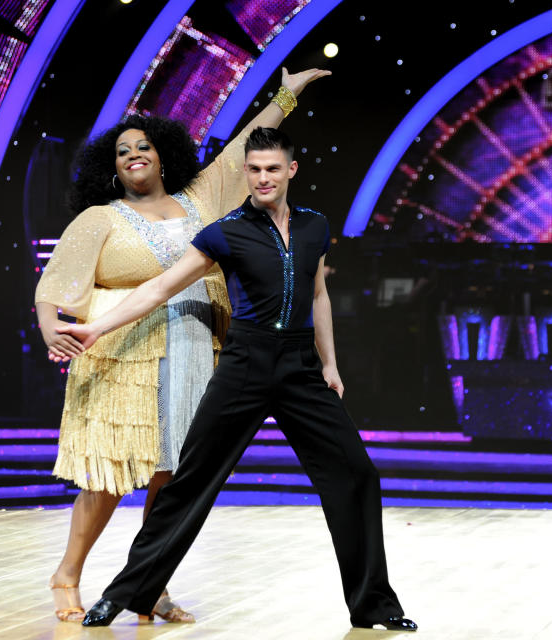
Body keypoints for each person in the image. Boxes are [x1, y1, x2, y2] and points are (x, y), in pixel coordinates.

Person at [51, 127, 417, 631]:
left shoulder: (314, 227)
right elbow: (157, 289)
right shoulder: (225, 231)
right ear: (245, 174)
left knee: (358, 474)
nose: (263, 178)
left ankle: (374, 605)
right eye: (254, 169)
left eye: (272, 168)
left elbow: (317, 298)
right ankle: (126, 593)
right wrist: (95, 327)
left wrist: (330, 365)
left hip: (299, 369)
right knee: (189, 483)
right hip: (245, 364)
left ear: (290, 170)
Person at [35, 70, 330, 623]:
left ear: (164, 155)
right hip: (123, 350)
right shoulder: (99, 218)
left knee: (175, 473)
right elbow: (56, 282)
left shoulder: (201, 200)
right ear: (111, 166)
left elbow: (245, 146)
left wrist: (287, 97)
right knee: (112, 475)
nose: (134, 155)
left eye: (144, 146)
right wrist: (51, 323)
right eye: (122, 151)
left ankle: (150, 584)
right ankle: (67, 573)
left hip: (195, 343)